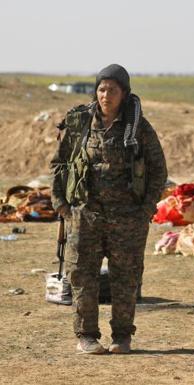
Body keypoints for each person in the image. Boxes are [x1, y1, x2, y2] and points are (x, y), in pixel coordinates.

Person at [50, 64, 167, 354]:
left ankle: (122, 337)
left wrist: (146, 210)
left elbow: (158, 171)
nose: (106, 95)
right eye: (102, 89)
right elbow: (59, 164)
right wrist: (61, 204)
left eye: (112, 90)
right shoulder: (80, 123)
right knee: (82, 276)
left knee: (125, 279)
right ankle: (86, 336)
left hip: (127, 218)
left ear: (124, 94)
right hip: (85, 216)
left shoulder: (138, 126)